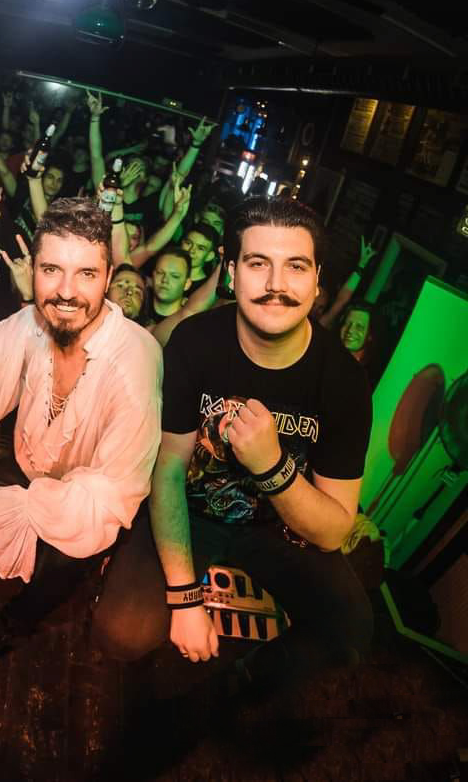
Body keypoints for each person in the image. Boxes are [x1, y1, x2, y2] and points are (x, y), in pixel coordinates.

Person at [94, 197, 373, 704]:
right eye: (258, 263)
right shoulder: (195, 342)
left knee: (350, 631)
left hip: (278, 527)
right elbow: (169, 468)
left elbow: (334, 530)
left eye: (296, 266)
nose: (276, 284)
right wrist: (185, 599)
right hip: (191, 511)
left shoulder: (345, 383)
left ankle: (239, 686)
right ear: (230, 272)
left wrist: (272, 467)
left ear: (317, 280)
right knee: (121, 633)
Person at [0, 198, 162, 669]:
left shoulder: (135, 362)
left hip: (90, 504)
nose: (66, 292)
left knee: (55, 574)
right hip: (30, 466)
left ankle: (10, 624)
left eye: (86, 274)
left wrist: (4, 509)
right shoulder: (36, 320)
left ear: (108, 279)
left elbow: (106, 498)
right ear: (33, 270)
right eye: (52, 270)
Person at [149, 247, 192, 323]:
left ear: (187, 284)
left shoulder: (189, 323)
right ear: (153, 275)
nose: (165, 280)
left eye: (174, 276)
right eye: (160, 273)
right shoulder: (136, 310)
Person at [180, 222, 219, 295]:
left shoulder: (207, 289)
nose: (191, 250)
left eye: (200, 248)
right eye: (188, 243)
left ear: (209, 256)